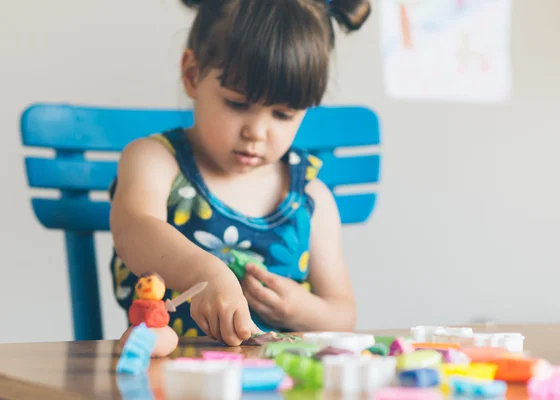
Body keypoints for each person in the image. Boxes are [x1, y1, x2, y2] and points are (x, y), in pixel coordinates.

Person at [109, 0, 371, 346]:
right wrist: (206, 272)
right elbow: (133, 230)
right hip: (170, 378)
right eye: (237, 104)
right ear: (192, 75)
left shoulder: (309, 198)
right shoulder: (156, 161)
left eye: (283, 114)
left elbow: (343, 314)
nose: (257, 132)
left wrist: (300, 310)